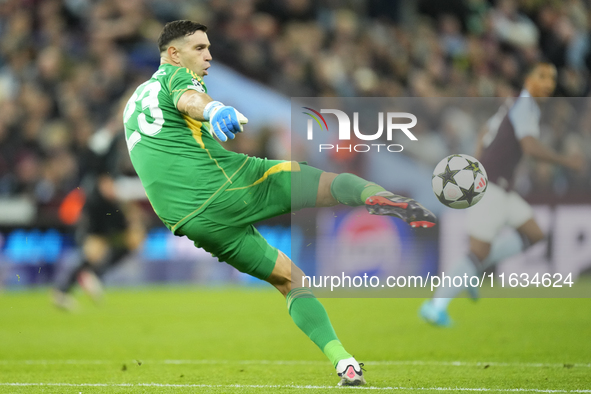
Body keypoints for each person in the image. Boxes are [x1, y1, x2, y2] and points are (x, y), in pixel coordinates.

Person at [123, 20, 436, 386]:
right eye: (199, 49)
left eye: (209, 47)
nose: (208, 55)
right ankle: (383, 198)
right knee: (330, 183)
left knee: (290, 279)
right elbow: (190, 99)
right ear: (173, 54)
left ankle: (344, 363)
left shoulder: (133, 102)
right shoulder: (177, 77)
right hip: (225, 187)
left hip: (187, 221)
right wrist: (215, 109)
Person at [419, 61, 585, 327]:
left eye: (551, 80)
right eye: (542, 78)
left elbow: (486, 131)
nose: (548, 85)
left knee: (533, 234)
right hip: (492, 186)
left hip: (503, 187)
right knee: (476, 253)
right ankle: (435, 305)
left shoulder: (515, 105)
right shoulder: (525, 107)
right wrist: (567, 161)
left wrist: (479, 161)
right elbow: (529, 147)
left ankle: (473, 272)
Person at [53, 116, 146, 310]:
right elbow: (104, 178)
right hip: (101, 202)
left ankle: (70, 287)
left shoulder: (110, 140)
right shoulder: (105, 143)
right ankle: (75, 284)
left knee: (105, 247)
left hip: (101, 200)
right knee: (117, 242)